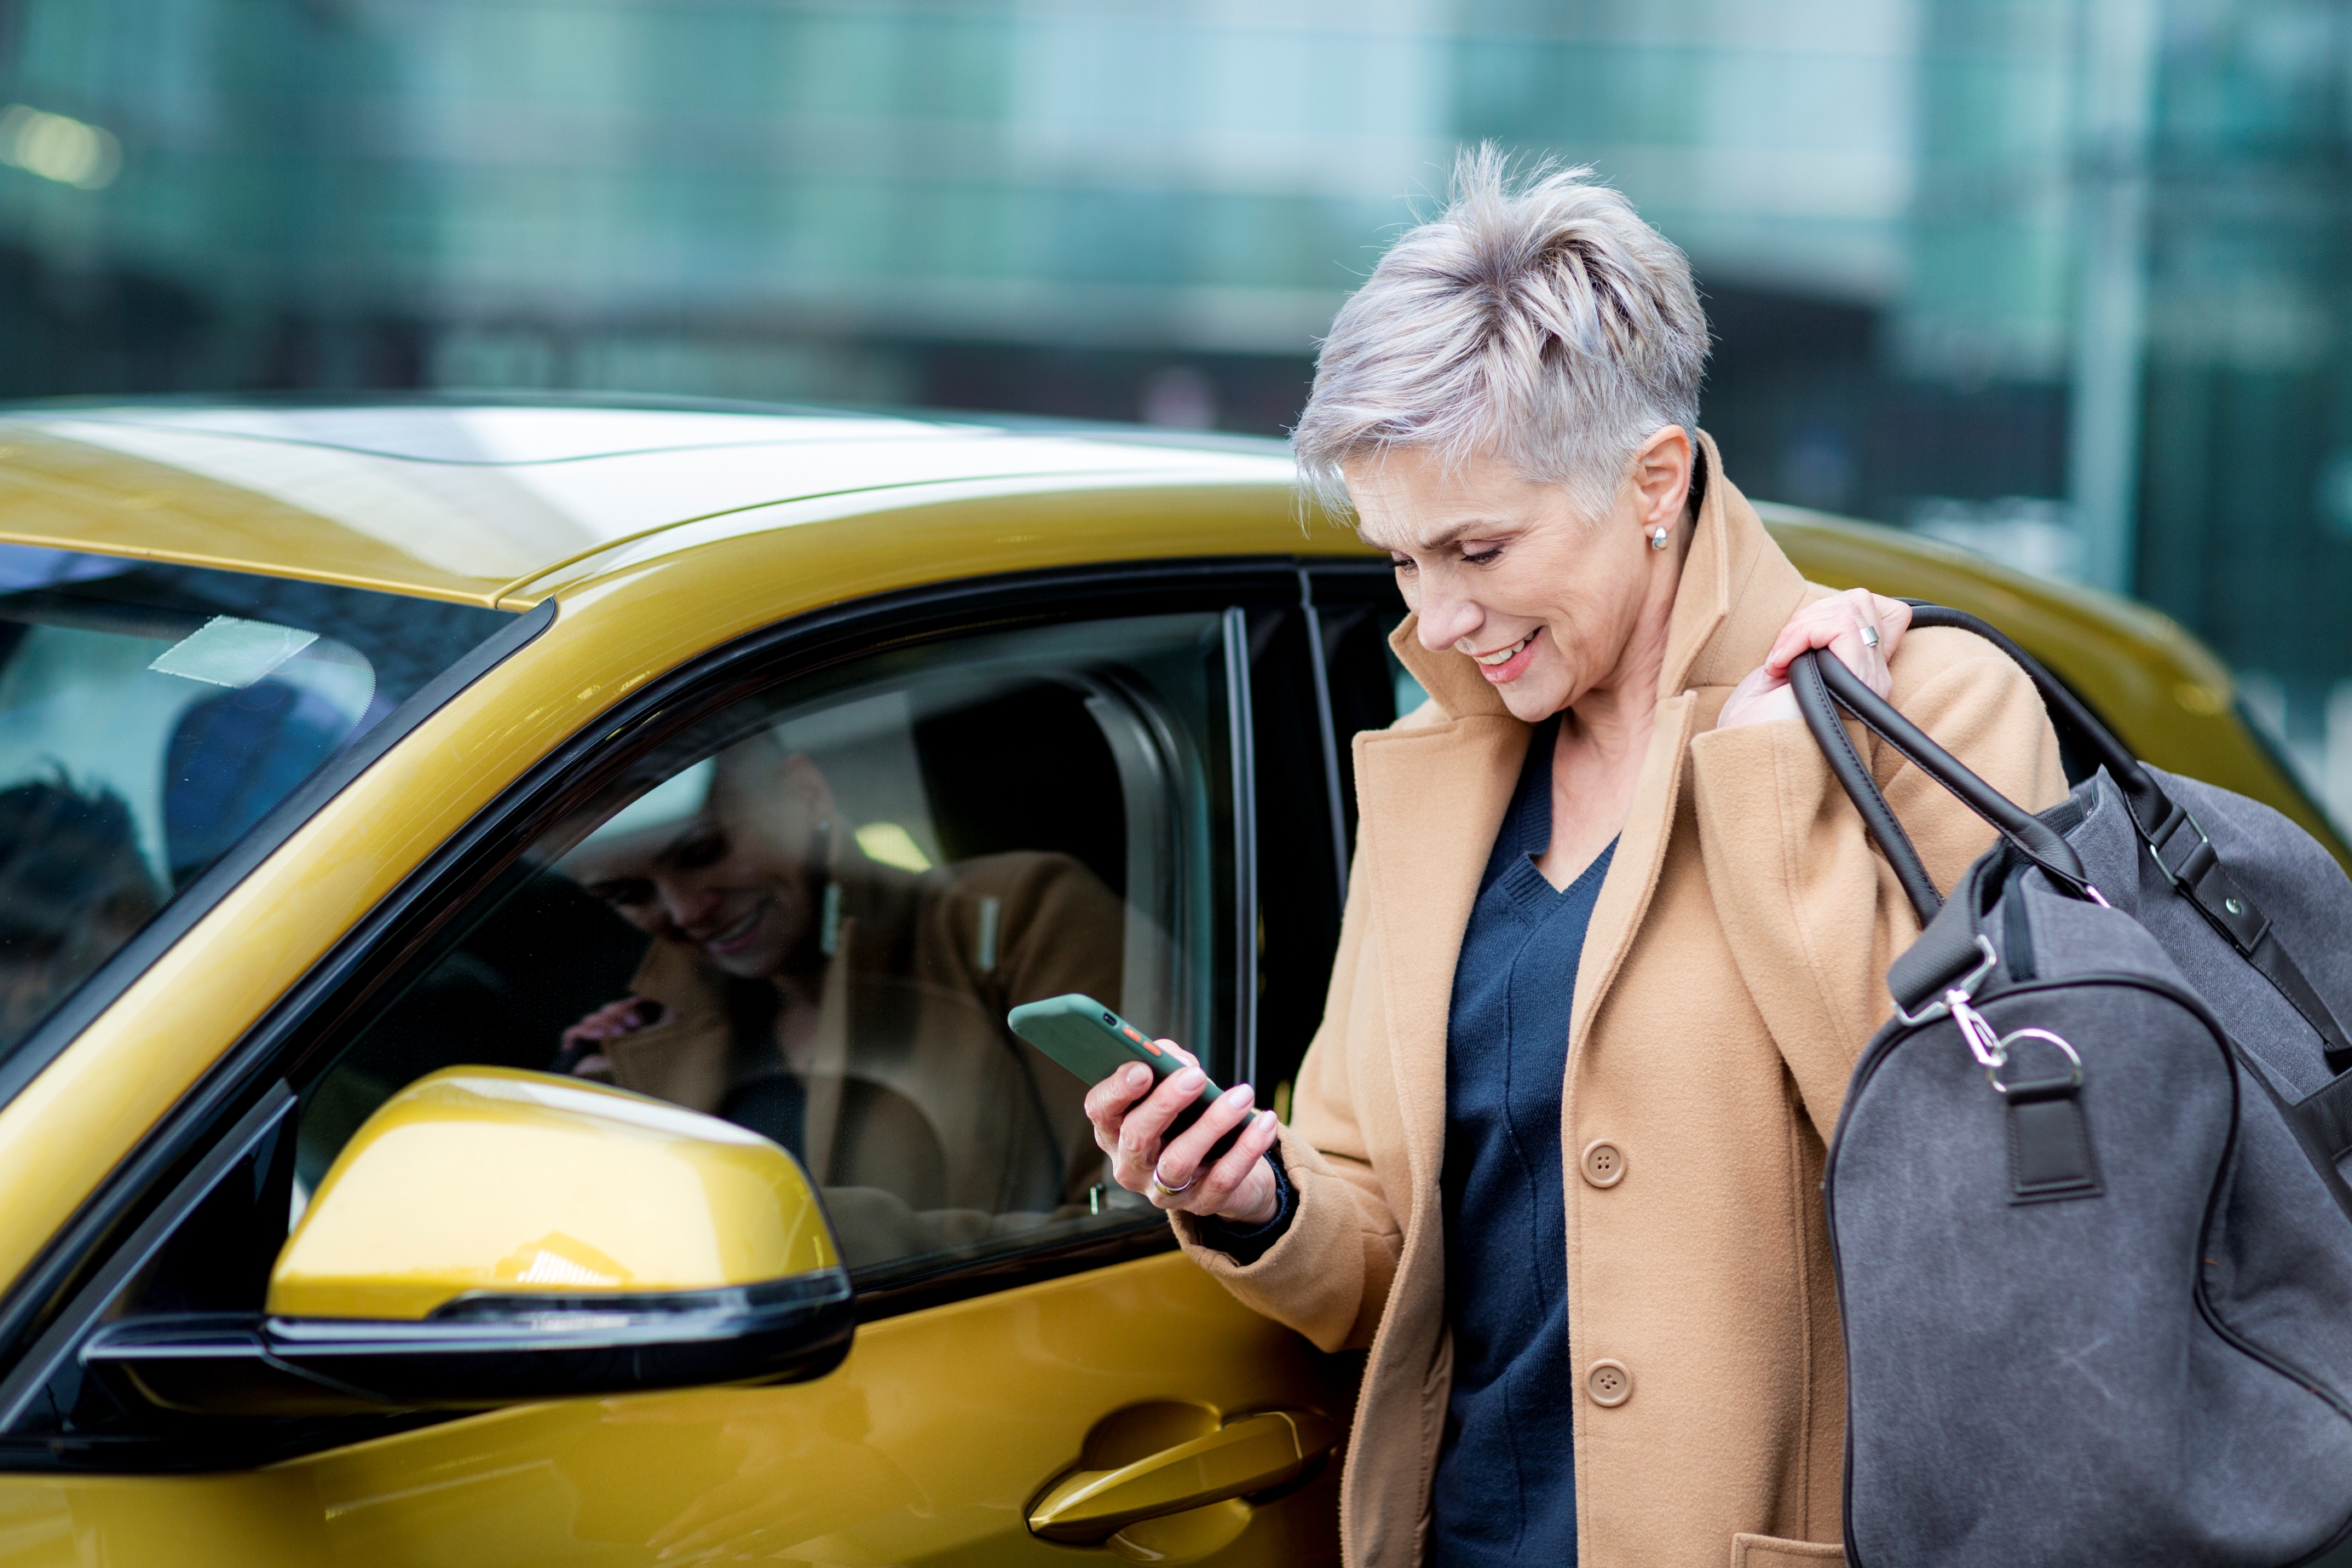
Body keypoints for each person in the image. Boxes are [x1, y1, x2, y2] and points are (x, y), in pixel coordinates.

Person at [1082, 150, 2066, 1566]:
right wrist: (1256, 1201)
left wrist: (1778, 770)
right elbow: (1382, 1258)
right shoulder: (1434, 782)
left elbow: (1980, 1186)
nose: (1440, 612)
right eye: (1402, 557)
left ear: (1654, 477)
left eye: (1478, 546)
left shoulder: (1928, 714)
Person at [556, 728, 1125, 1265]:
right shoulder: (638, 1040)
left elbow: (1143, 1220)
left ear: (805, 796)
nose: (684, 910)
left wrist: (816, 1234)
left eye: (704, 852)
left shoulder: (1015, 915)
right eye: (628, 894)